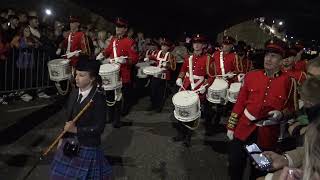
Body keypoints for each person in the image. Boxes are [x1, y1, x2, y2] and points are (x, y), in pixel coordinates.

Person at [226, 38, 297, 180]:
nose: (268, 59)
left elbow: (292, 108)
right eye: (267, 55)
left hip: (265, 136)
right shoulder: (251, 76)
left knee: (260, 170)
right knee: (235, 166)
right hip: (243, 130)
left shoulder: (288, 81)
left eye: (273, 56)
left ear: (281, 60)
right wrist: (231, 126)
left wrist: (282, 114)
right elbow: (240, 103)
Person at [50, 55, 112, 179]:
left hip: (88, 144)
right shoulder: (73, 93)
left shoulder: (98, 98)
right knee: (58, 175)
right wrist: (62, 137)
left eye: (81, 75)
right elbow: (69, 119)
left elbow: (99, 128)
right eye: (76, 74)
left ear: (92, 78)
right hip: (69, 142)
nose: (76, 78)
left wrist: (76, 130)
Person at [174, 34, 215, 147]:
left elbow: (212, 76)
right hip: (186, 86)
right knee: (181, 109)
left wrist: (205, 86)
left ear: (203, 45)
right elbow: (183, 70)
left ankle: (188, 137)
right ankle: (181, 133)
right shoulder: (189, 58)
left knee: (193, 113)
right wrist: (179, 78)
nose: (196, 45)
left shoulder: (208, 59)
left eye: (199, 43)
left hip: (198, 88)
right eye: (195, 43)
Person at [101, 17, 139, 127]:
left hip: (123, 74)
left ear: (125, 29)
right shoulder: (113, 40)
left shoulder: (130, 41)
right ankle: (110, 116)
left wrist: (126, 60)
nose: (117, 28)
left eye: (120, 27)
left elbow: (135, 59)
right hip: (111, 73)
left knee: (118, 96)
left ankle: (117, 120)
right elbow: (108, 50)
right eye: (117, 26)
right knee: (109, 94)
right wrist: (102, 54)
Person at [145, 38, 176, 112]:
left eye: (165, 46)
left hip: (164, 76)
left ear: (168, 47)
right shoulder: (158, 52)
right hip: (156, 74)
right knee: (153, 90)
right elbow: (153, 57)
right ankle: (153, 104)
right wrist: (148, 58)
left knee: (161, 93)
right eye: (162, 46)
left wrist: (167, 65)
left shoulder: (170, 55)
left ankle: (159, 107)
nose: (163, 47)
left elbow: (173, 67)